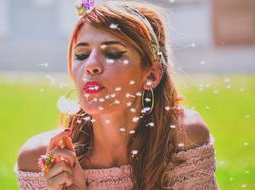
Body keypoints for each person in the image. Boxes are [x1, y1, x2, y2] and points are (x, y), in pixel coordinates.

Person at [15, 1, 219, 189]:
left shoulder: (184, 138)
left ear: (151, 75)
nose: (91, 65)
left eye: (112, 53)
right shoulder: (43, 160)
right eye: (81, 55)